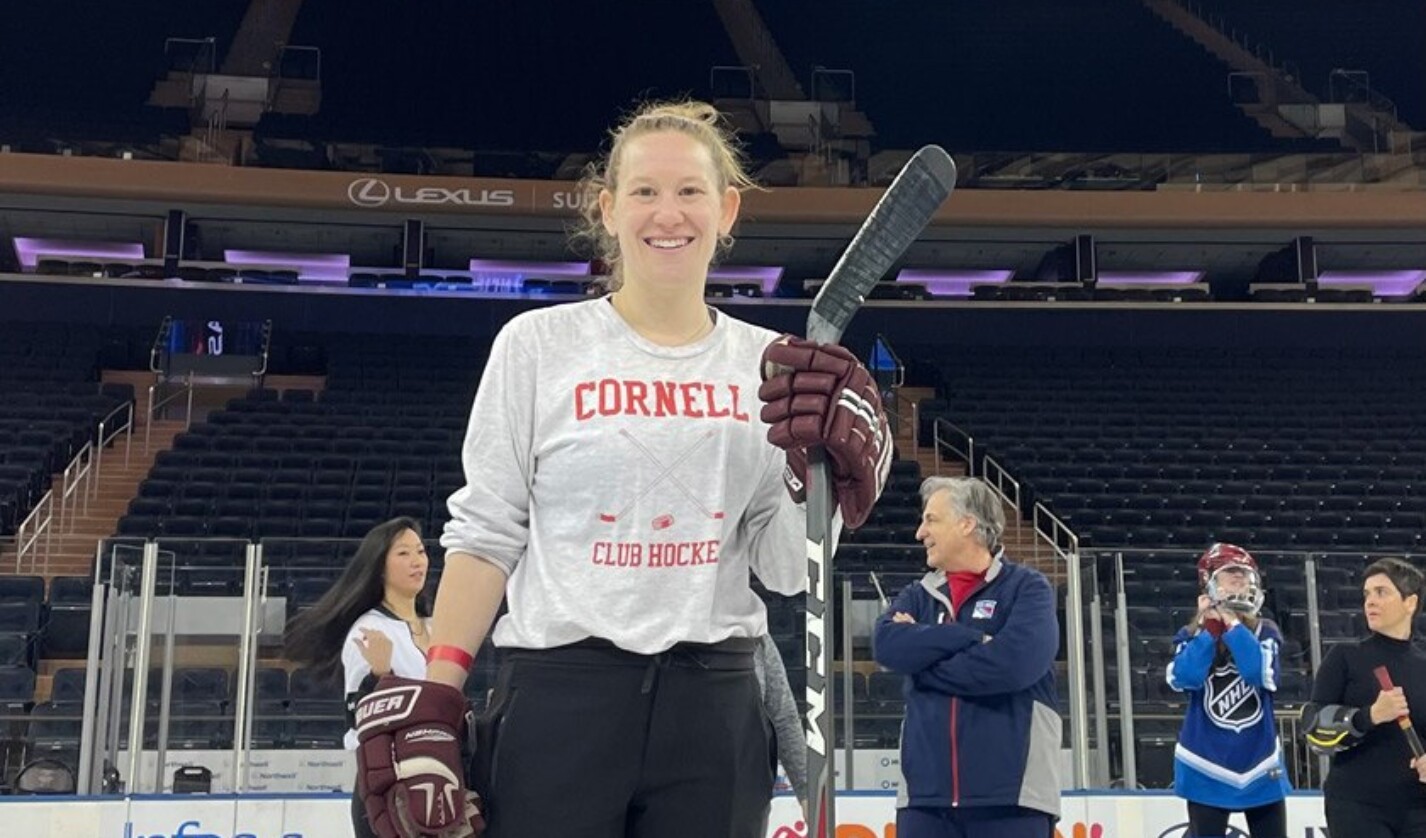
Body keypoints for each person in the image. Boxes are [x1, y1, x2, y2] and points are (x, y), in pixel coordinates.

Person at [351, 99, 891, 838]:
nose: (667, 213)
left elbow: (786, 568)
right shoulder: (537, 345)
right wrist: (440, 697)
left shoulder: (773, 368)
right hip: (560, 700)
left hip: (717, 707)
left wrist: (834, 492)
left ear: (727, 209)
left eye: (690, 191)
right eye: (644, 191)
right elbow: (486, 532)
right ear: (607, 209)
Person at [872, 476, 1060, 838]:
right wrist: (969, 637)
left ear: (967, 523)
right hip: (924, 802)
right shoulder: (917, 594)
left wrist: (924, 666)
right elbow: (887, 647)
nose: (919, 532)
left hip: (1013, 799)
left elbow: (1013, 666)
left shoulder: (1028, 588)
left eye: (930, 519)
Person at [283, 517, 433, 838]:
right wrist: (381, 676)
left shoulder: (436, 627)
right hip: (387, 790)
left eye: (420, 551)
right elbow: (358, 720)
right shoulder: (369, 630)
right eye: (403, 553)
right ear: (379, 566)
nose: (417, 561)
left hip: (436, 777)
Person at [1165, 543, 1289, 838]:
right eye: (1230, 573)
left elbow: (1259, 673)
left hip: (1260, 762)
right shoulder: (1191, 635)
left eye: (1245, 574)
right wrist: (1210, 631)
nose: (1240, 579)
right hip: (1204, 763)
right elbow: (1185, 678)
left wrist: (1232, 624)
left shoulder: (1266, 630)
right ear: (1209, 582)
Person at [1304, 557, 1426, 837]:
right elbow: (1313, 732)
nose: (1370, 601)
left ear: (1410, 602)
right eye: (1367, 594)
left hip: (1419, 808)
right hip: (1356, 807)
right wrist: (1369, 716)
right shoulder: (1344, 657)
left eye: (1381, 592)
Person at [756, 632, 808, 820]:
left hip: (746, 791)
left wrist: (806, 789)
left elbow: (783, 717)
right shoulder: (667, 631)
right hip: (677, 790)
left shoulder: (757, 638)